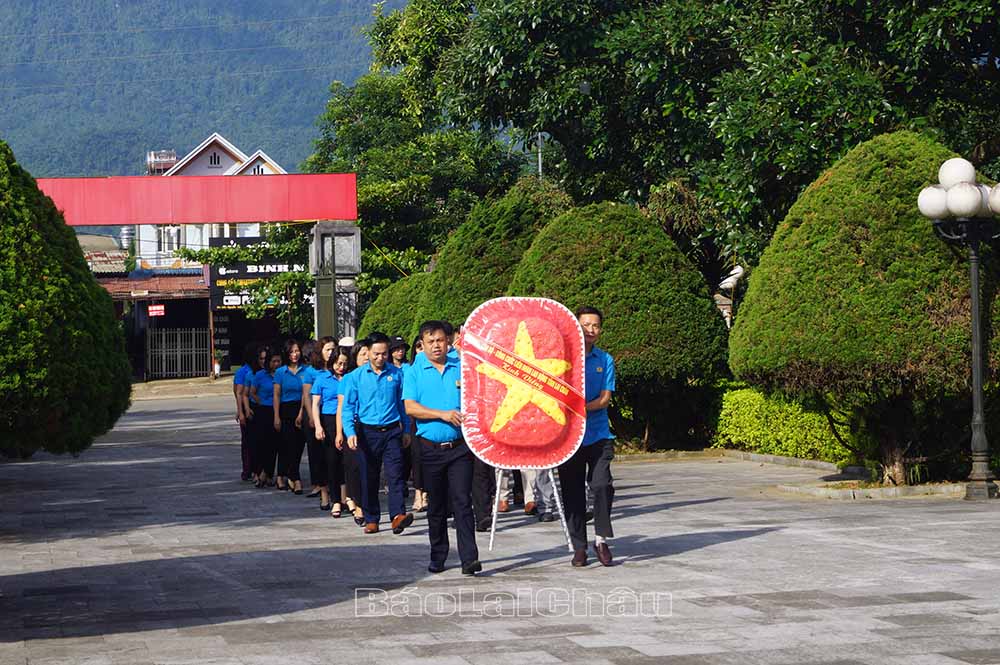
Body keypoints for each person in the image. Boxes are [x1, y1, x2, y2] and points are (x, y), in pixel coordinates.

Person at [403, 320, 481, 576]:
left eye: (440, 340)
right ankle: (438, 555)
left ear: (448, 341)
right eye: (430, 341)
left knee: (462, 501)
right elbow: (410, 407)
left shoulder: (461, 366)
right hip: (430, 448)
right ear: (422, 345)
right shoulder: (414, 371)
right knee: (436, 505)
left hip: (460, 448)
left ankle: (469, 558)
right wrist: (442, 415)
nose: (436, 345)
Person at [558, 306, 616, 567]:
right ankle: (579, 546)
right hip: (568, 437)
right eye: (585, 325)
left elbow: (605, 399)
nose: (590, 330)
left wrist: (579, 408)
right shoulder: (563, 359)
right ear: (575, 326)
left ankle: (601, 539)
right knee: (572, 492)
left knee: (601, 485)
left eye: (595, 326)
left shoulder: (605, 360)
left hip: (599, 434)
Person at [342, 332, 413, 535]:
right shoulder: (356, 377)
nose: (380, 358)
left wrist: (406, 429)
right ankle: (371, 518)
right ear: (368, 353)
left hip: (392, 431)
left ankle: (397, 516)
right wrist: (349, 432)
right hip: (367, 432)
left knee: (395, 474)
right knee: (369, 476)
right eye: (376, 354)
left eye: (384, 354)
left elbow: (402, 404)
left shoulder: (397, 374)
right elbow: (348, 407)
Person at [312, 344, 351, 517]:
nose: (341, 367)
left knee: (347, 462)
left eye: (344, 364)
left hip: (348, 420)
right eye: (338, 363)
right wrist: (318, 426)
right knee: (332, 461)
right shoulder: (322, 379)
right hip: (328, 421)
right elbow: (315, 405)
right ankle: (335, 499)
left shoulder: (350, 378)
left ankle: (346, 498)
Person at [338, 340, 370, 525]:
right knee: (354, 468)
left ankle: (367, 503)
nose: (366, 357)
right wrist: (341, 432)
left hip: (371, 425)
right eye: (362, 354)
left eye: (369, 353)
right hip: (353, 426)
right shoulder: (349, 378)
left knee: (370, 468)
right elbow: (343, 407)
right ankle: (358, 504)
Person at [302, 338, 334, 506]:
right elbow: (307, 395)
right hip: (317, 415)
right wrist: (312, 417)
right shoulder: (312, 371)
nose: (330, 353)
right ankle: (321, 488)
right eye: (327, 349)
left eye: (332, 349)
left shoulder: (338, 369)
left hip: (333, 416)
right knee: (317, 454)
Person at [273, 339, 307, 494]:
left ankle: (291, 476)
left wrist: (301, 412)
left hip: (301, 409)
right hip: (285, 410)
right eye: (292, 351)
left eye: (297, 351)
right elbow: (277, 395)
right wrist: (276, 416)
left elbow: (306, 394)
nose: (295, 354)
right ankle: (292, 477)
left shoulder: (306, 371)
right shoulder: (281, 372)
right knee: (286, 446)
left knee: (298, 446)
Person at [249, 347, 282, 488]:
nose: (276, 364)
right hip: (263, 412)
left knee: (274, 444)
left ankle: (268, 474)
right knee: (262, 444)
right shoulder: (260, 375)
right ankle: (260, 471)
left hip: (279, 411)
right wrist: (261, 402)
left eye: (278, 361)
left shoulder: (281, 374)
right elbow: (252, 392)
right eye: (273, 361)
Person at [233, 341, 257, 482]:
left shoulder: (258, 370)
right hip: (247, 409)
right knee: (248, 442)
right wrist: (240, 411)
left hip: (258, 407)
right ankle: (248, 469)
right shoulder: (243, 371)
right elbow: (238, 392)